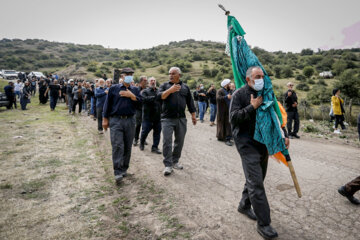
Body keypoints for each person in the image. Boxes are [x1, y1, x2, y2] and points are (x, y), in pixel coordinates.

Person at [230, 66, 286, 239]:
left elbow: (276, 115)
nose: (261, 79)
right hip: (246, 144)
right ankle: (264, 224)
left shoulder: (267, 94)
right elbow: (233, 118)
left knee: (258, 178)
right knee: (256, 183)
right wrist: (251, 107)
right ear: (248, 79)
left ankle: (244, 205)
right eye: (257, 76)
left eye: (262, 76)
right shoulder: (239, 95)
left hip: (262, 143)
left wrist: (284, 133)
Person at [102, 67, 141, 185]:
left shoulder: (135, 89)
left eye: (131, 74)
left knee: (128, 145)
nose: (129, 75)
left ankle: (124, 168)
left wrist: (132, 96)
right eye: (127, 74)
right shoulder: (114, 88)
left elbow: (140, 104)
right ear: (122, 76)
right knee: (118, 145)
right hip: (116, 121)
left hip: (130, 121)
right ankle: (117, 171)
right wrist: (105, 119)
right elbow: (107, 105)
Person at [158, 67, 196, 176]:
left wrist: (193, 115)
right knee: (167, 141)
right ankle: (168, 165)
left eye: (173, 73)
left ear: (179, 75)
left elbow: (190, 102)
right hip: (167, 119)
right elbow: (160, 96)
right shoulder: (164, 86)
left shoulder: (185, 87)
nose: (170, 75)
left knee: (180, 141)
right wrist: (170, 90)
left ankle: (175, 161)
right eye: (169, 73)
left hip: (181, 119)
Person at [140, 77, 162, 154]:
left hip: (157, 116)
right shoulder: (145, 91)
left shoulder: (159, 91)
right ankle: (142, 143)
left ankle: (155, 147)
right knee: (145, 131)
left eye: (154, 80)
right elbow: (144, 99)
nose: (153, 82)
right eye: (151, 81)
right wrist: (155, 97)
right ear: (148, 83)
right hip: (147, 116)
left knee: (157, 132)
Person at [216, 79, 233, 146]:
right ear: (226, 85)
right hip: (222, 111)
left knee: (228, 124)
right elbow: (218, 98)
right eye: (229, 83)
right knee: (222, 123)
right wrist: (226, 97)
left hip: (228, 110)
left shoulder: (228, 91)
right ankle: (224, 138)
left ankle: (227, 137)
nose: (230, 85)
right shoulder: (220, 90)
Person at [133, 76, 148, 146]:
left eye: (146, 80)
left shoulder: (148, 89)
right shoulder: (136, 89)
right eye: (144, 80)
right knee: (138, 125)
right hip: (138, 109)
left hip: (146, 110)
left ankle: (143, 139)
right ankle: (135, 139)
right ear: (141, 81)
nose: (146, 82)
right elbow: (135, 98)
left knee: (145, 126)